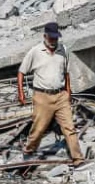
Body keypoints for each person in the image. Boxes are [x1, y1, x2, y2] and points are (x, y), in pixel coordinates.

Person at [17, 22, 84, 165]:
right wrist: (21, 94)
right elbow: (21, 72)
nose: (54, 41)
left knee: (69, 128)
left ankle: (78, 158)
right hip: (42, 96)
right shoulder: (35, 51)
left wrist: (68, 91)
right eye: (51, 38)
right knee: (39, 128)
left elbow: (66, 73)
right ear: (45, 36)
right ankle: (29, 150)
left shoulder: (63, 50)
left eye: (56, 38)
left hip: (61, 96)